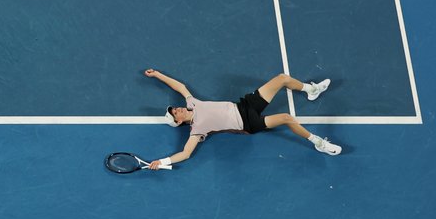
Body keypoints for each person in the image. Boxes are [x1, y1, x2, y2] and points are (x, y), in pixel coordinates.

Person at [143, 68, 341, 169]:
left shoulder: (192, 103)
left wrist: (157, 75)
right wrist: (162, 161)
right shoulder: (197, 130)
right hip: (248, 123)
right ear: (178, 122)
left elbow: (178, 86)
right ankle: (318, 142)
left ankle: (312, 90)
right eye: (174, 113)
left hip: (244, 105)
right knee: (287, 118)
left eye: (174, 109)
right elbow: (185, 154)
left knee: (282, 78)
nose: (176, 109)